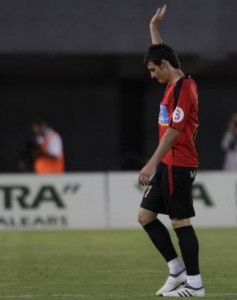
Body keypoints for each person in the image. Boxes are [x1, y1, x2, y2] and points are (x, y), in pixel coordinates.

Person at [137, 5, 205, 297]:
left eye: (153, 70)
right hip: (168, 161)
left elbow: (175, 131)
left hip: (178, 162)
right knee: (145, 217)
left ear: (165, 66)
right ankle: (176, 270)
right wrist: (153, 27)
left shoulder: (184, 89)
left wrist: (151, 163)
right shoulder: (171, 82)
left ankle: (195, 284)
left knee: (179, 222)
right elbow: (159, 52)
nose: (152, 76)